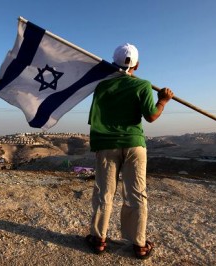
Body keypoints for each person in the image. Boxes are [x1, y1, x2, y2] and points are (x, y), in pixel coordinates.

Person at [85, 43, 174, 260]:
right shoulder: (142, 85)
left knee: (104, 193)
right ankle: (139, 245)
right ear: (138, 65)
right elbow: (151, 116)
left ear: (113, 62)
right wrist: (162, 101)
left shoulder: (101, 86)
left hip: (107, 145)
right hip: (134, 145)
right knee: (136, 193)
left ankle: (99, 240)